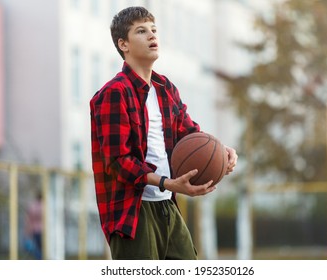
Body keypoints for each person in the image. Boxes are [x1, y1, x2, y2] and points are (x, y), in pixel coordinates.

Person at [90, 6, 238, 260]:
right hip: (133, 213)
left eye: (154, 30)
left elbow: (190, 135)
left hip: (167, 205)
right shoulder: (114, 93)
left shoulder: (165, 88)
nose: (151, 36)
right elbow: (118, 161)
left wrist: (223, 152)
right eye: (141, 31)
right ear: (123, 44)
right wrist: (165, 182)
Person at [24, 191, 43, 259]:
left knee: (37, 248)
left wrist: (27, 232)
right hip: (43, 231)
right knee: (42, 248)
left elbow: (28, 220)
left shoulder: (33, 206)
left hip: (35, 230)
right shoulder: (45, 206)